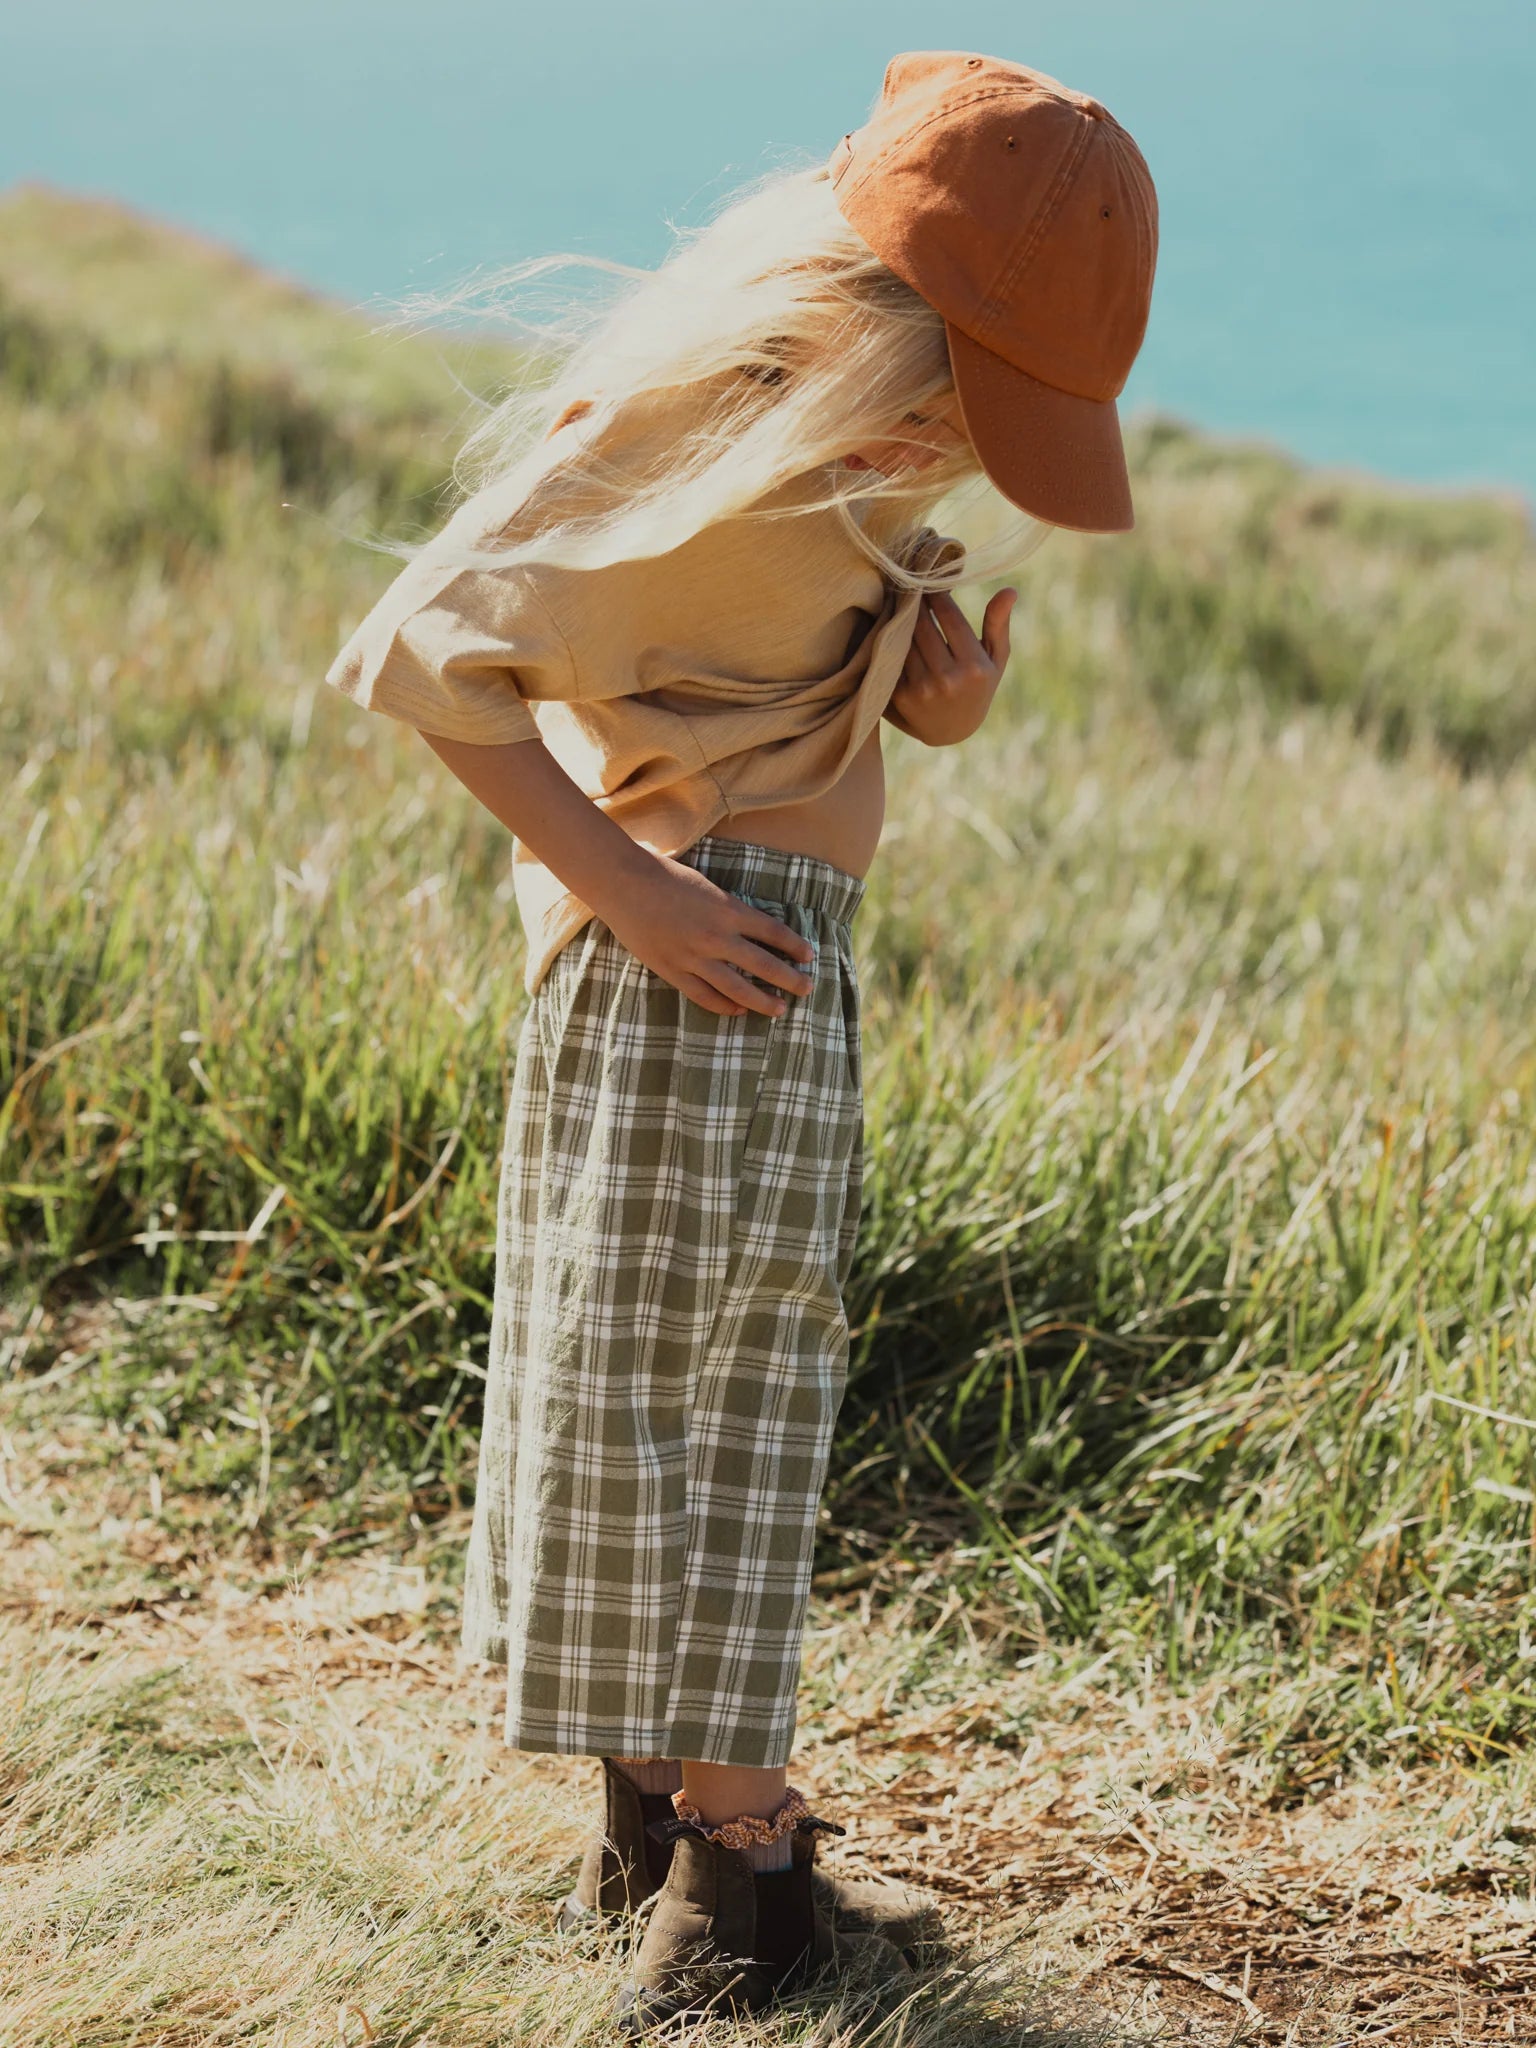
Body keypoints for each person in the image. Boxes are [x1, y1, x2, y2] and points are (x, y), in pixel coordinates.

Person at [326, 50, 1157, 2033]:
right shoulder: (699, 431)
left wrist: (929, 691)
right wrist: (635, 888)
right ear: (881, 340)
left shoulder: (832, 469)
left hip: (759, 961)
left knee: (680, 1374)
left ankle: (658, 1810)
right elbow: (426, 657)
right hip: (704, 960)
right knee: (711, 1395)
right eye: (965, 414)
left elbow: (779, 692)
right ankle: (742, 1870)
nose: (960, 463)